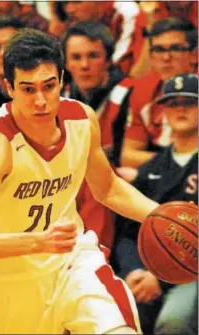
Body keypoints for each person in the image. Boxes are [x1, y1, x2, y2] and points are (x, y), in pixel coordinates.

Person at [0, 28, 161, 334]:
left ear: (62, 79)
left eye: (49, 86)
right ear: (9, 87)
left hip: (73, 262)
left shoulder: (82, 120)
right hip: (12, 280)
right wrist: (38, 241)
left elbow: (108, 187)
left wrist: (161, 215)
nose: (42, 101)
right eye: (28, 89)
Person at [113, 73, 198, 334]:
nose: (180, 109)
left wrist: (161, 279)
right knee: (112, 316)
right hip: (147, 273)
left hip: (192, 274)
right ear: (162, 114)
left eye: (190, 102)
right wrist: (133, 272)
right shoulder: (151, 169)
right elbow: (127, 234)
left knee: (174, 321)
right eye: (173, 103)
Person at [61, 20, 134, 254]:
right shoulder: (56, 98)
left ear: (108, 59)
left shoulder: (128, 93)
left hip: (120, 187)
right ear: (66, 63)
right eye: (76, 57)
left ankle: (95, 259)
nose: (84, 65)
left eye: (93, 56)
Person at [121, 17, 197, 170]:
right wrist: (174, 163)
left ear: (195, 54)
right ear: (151, 56)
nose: (166, 57)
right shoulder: (143, 91)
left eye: (175, 48)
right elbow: (128, 157)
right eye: (159, 49)